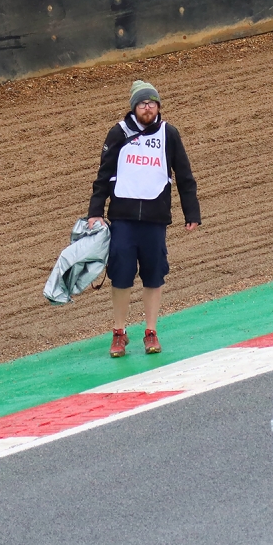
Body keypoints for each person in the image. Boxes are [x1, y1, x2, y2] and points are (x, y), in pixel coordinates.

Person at [88, 80, 200, 357]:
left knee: (153, 276)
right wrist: (95, 213)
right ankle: (119, 332)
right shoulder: (118, 133)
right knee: (121, 277)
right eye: (142, 103)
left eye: (151, 103)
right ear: (134, 107)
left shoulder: (169, 134)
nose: (147, 107)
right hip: (123, 220)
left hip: (155, 219)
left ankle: (151, 331)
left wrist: (192, 213)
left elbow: (184, 176)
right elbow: (103, 177)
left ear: (158, 106)